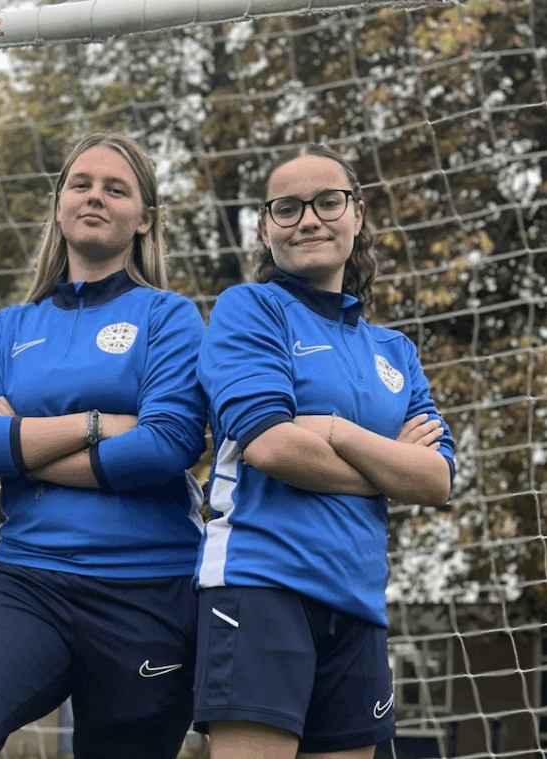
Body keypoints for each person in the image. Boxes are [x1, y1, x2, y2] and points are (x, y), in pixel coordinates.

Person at [0, 133, 208, 759]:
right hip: (27, 581)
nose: (95, 196)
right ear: (59, 204)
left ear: (144, 218)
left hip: (149, 589)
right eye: (82, 184)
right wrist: (99, 424)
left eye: (115, 188)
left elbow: (166, 445)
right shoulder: (11, 325)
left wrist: (24, 442)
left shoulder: (169, 317)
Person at [193, 144, 456, 759]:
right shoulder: (248, 309)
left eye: (327, 202)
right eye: (287, 208)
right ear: (264, 227)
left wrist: (336, 432)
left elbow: (438, 480)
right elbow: (272, 446)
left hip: (358, 601)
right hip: (259, 585)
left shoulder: (396, 352)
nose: (309, 219)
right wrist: (389, 468)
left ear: (357, 213)